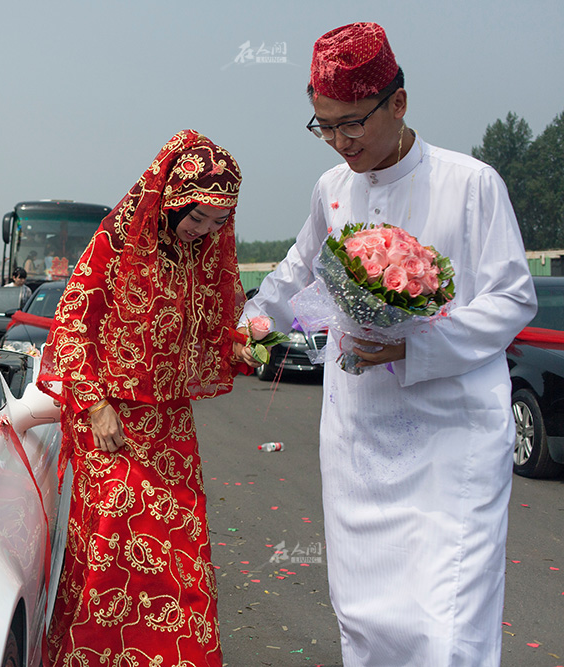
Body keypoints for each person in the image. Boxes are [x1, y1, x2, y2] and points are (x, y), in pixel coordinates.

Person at [240, 23, 536, 665]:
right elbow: (297, 270)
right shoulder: (332, 190)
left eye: (353, 124)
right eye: (324, 126)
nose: (341, 143)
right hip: (362, 437)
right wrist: (255, 321)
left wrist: (417, 347)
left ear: (398, 104)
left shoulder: (472, 183)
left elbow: (514, 299)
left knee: (447, 624)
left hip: (451, 437)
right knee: (368, 619)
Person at [38, 130, 250, 666]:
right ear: (172, 197)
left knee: (183, 562)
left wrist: (247, 345)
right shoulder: (117, 239)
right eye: (197, 217)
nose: (204, 232)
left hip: (170, 429)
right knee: (110, 555)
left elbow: (205, 333)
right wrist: (94, 403)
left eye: (218, 223)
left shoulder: (199, 258)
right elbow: (70, 324)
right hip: (110, 421)